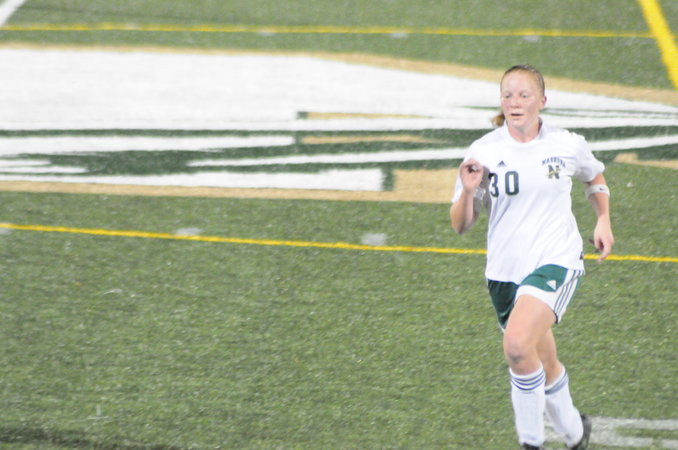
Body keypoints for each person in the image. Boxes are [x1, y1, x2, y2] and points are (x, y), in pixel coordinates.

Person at [449, 64, 614, 450]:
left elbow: (594, 177)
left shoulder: (567, 144)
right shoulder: (484, 151)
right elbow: (460, 225)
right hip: (504, 273)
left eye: (524, 95)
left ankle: (531, 443)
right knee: (542, 359)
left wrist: (603, 219)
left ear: (542, 101)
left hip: (556, 259)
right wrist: (469, 192)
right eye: (508, 95)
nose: (515, 102)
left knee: (517, 345)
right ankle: (575, 434)